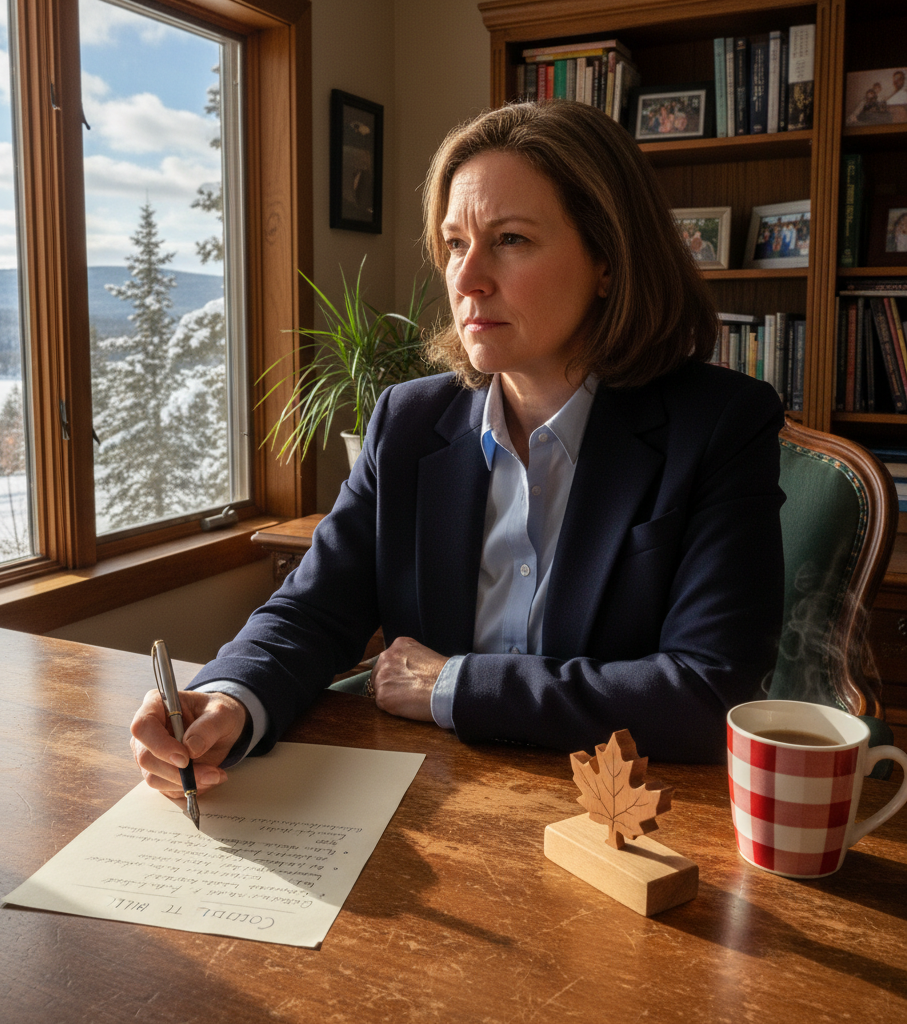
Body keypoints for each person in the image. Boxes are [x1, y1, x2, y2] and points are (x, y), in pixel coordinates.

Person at [131, 101, 785, 801]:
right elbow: (313, 609)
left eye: (510, 239)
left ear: (608, 259)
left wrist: (455, 684)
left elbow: (708, 691)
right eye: (453, 244)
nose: (467, 278)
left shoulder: (719, 424)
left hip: (619, 816)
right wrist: (228, 698)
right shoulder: (408, 421)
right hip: (428, 798)